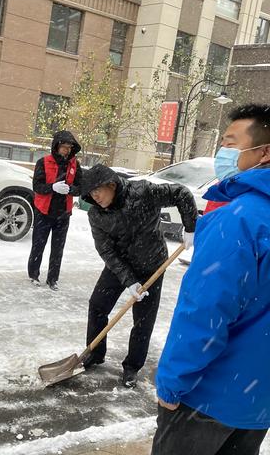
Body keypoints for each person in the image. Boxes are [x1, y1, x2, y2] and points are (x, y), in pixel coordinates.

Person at [152, 104, 270, 455]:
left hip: (208, 396)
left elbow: (205, 311)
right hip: (257, 400)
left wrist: (172, 382)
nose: (222, 150)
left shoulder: (239, 219)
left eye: (231, 142)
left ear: (263, 152)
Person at [80, 164, 197, 388]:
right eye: (90, 194)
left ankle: (132, 367)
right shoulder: (96, 214)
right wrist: (129, 280)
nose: (94, 197)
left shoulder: (143, 192)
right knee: (97, 305)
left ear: (111, 184)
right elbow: (106, 250)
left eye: (97, 191)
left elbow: (180, 193)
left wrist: (190, 226)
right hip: (120, 265)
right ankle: (94, 354)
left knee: (143, 318)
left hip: (152, 264)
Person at [27, 130, 82, 291]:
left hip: (63, 213)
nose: (67, 150)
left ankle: (53, 279)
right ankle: (34, 274)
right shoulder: (43, 162)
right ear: (56, 147)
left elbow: (80, 187)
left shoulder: (75, 165)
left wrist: (70, 189)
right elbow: (37, 186)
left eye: (69, 147)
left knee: (58, 248)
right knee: (38, 244)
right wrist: (52, 187)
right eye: (64, 147)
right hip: (44, 211)